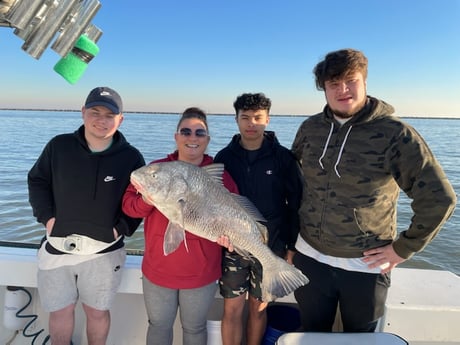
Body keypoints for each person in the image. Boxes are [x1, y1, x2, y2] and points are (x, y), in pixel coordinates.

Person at [291, 48, 457, 332]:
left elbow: (439, 199)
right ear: (324, 89)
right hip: (309, 258)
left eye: (350, 80)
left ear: (364, 81)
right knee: (311, 335)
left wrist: (402, 249)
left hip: (364, 266)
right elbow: (292, 183)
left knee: (361, 339)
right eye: (333, 83)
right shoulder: (310, 128)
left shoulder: (396, 134)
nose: (342, 90)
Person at [28, 86, 145, 345]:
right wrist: (47, 218)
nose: (101, 120)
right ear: (83, 113)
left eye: (109, 115)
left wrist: (121, 228)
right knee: (60, 311)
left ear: (120, 119)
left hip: (105, 251)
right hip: (57, 248)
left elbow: (142, 200)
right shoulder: (59, 146)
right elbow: (37, 181)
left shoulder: (131, 157)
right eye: (95, 112)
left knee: (97, 312)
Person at [122, 107, 239, 345]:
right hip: (158, 269)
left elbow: (234, 216)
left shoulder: (220, 176)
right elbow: (128, 206)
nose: (192, 138)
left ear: (207, 139)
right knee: (158, 326)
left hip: (201, 272)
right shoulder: (157, 169)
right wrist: (147, 199)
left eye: (199, 133)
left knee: (194, 329)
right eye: (185, 131)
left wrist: (230, 239)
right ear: (176, 136)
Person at [214, 93, 303, 345]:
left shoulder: (283, 158)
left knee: (258, 309)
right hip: (234, 247)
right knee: (231, 309)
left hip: (271, 246)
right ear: (236, 120)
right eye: (245, 117)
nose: (251, 123)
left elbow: (296, 204)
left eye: (257, 118)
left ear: (267, 119)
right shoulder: (224, 158)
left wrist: (292, 247)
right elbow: (215, 204)